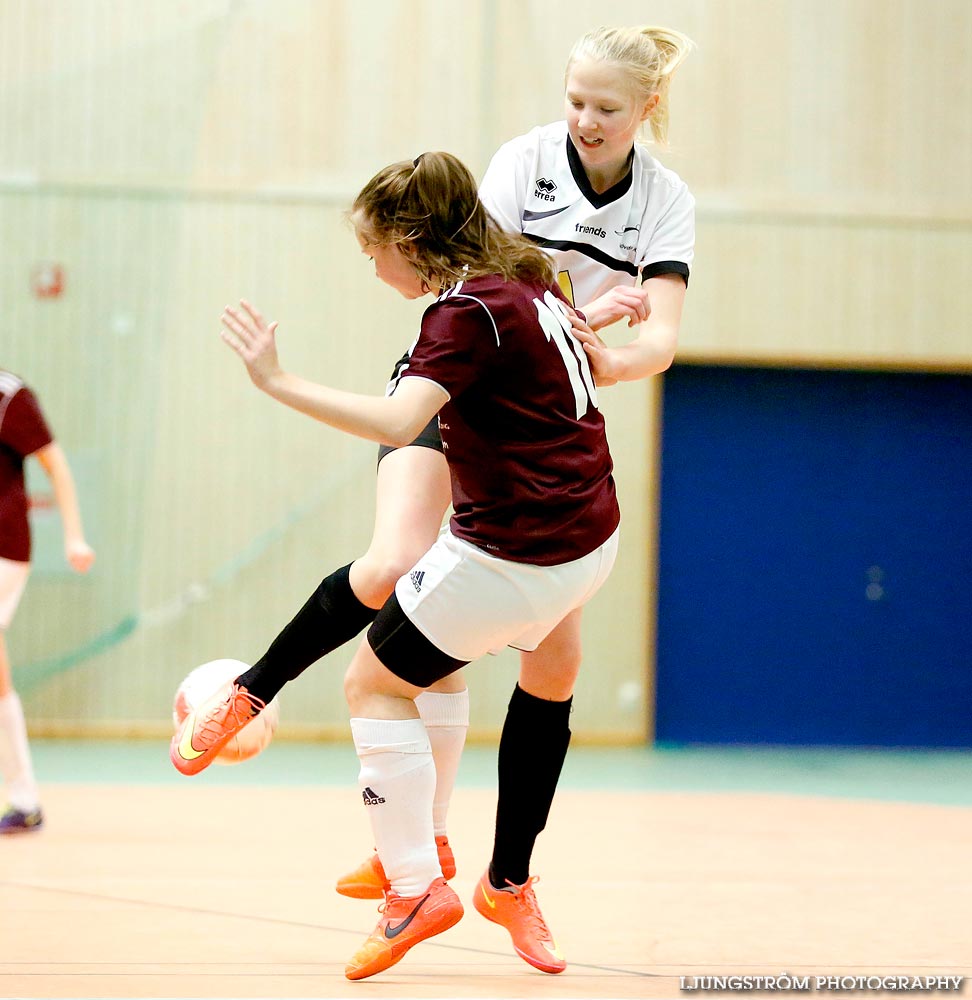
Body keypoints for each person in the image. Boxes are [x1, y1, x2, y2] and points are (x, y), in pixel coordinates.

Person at [171, 23, 694, 974]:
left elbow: (412, 396)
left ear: (643, 113)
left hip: (509, 457)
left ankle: (441, 878)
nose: (582, 119)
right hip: (569, 494)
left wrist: (277, 382)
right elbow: (504, 279)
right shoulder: (522, 223)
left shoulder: (498, 294)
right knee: (403, 576)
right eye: (575, 99)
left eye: (605, 107)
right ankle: (271, 710)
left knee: (407, 665)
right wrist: (579, 327)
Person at [216, 150, 621, 980]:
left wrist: (277, 381)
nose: (370, 265)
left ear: (410, 237)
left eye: (373, 248)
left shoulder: (465, 311)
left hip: (514, 555)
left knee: (373, 683)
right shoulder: (533, 280)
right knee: (511, 663)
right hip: (592, 538)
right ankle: (483, 871)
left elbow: (403, 420)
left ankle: (413, 886)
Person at [0, 369, 95, 834]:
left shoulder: (8, 396)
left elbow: (55, 464)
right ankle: (25, 801)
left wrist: (74, 537)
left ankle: (24, 798)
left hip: (3, 550)